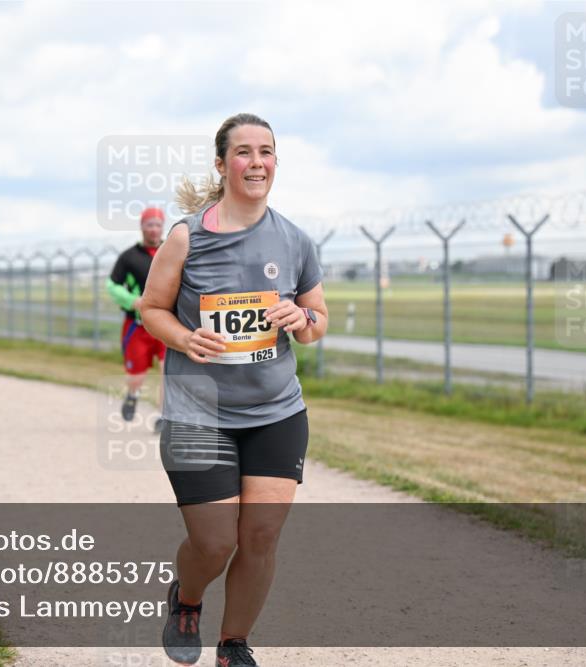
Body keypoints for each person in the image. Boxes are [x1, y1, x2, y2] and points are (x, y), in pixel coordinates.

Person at [141, 113, 328, 667]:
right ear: (222, 165)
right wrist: (184, 337)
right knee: (216, 541)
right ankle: (187, 599)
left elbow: (318, 322)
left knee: (261, 536)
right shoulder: (186, 236)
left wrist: (302, 317)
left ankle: (234, 645)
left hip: (276, 413)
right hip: (197, 413)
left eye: (266, 152)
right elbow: (151, 309)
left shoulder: (295, 240)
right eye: (243, 152)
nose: (257, 162)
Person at [106, 207, 167, 431]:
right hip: (137, 326)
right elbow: (112, 285)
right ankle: (132, 395)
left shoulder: (170, 251)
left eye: (158, 224)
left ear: (163, 227)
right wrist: (133, 301)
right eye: (149, 224)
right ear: (142, 227)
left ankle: (163, 416)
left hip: (165, 324)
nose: (154, 229)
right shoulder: (129, 257)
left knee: (167, 371)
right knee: (136, 376)